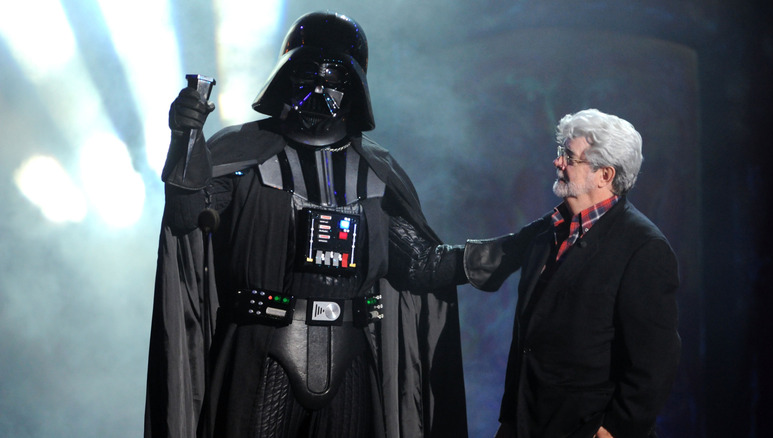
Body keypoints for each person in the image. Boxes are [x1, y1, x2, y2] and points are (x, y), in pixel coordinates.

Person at [144, 11, 468, 438]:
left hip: (350, 353)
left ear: (353, 88)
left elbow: (423, 264)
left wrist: (515, 246)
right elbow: (186, 216)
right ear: (283, 77)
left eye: (333, 79)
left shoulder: (375, 172)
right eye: (306, 75)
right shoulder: (245, 155)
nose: (319, 91)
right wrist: (185, 137)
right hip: (260, 349)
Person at [463, 109, 680, 438]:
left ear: (604, 175)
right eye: (560, 153)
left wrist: (613, 429)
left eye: (569, 156)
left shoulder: (643, 247)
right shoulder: (548, 231)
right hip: (525, 424)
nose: (557, 162)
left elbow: (654, 360)